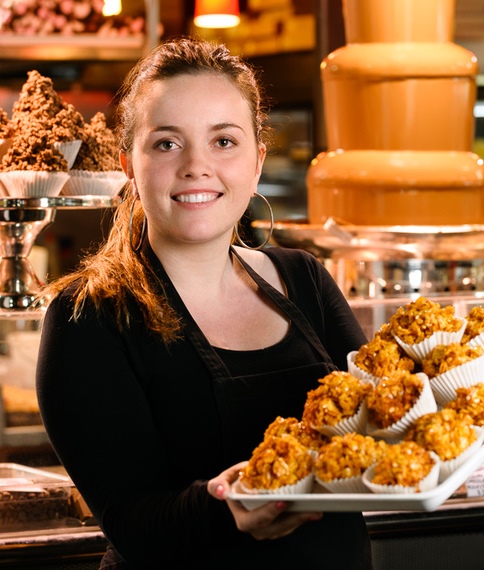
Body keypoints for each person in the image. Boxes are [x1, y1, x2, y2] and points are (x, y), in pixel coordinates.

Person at [35, 37, 372, 569]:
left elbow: (377, 421)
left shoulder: (304, 278)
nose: (196, 166)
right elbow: (130, 520)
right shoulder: (91, 316)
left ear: (257, 161)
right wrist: (226, 510)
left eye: (223, 141)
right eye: (167, 143)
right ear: (129, 163)